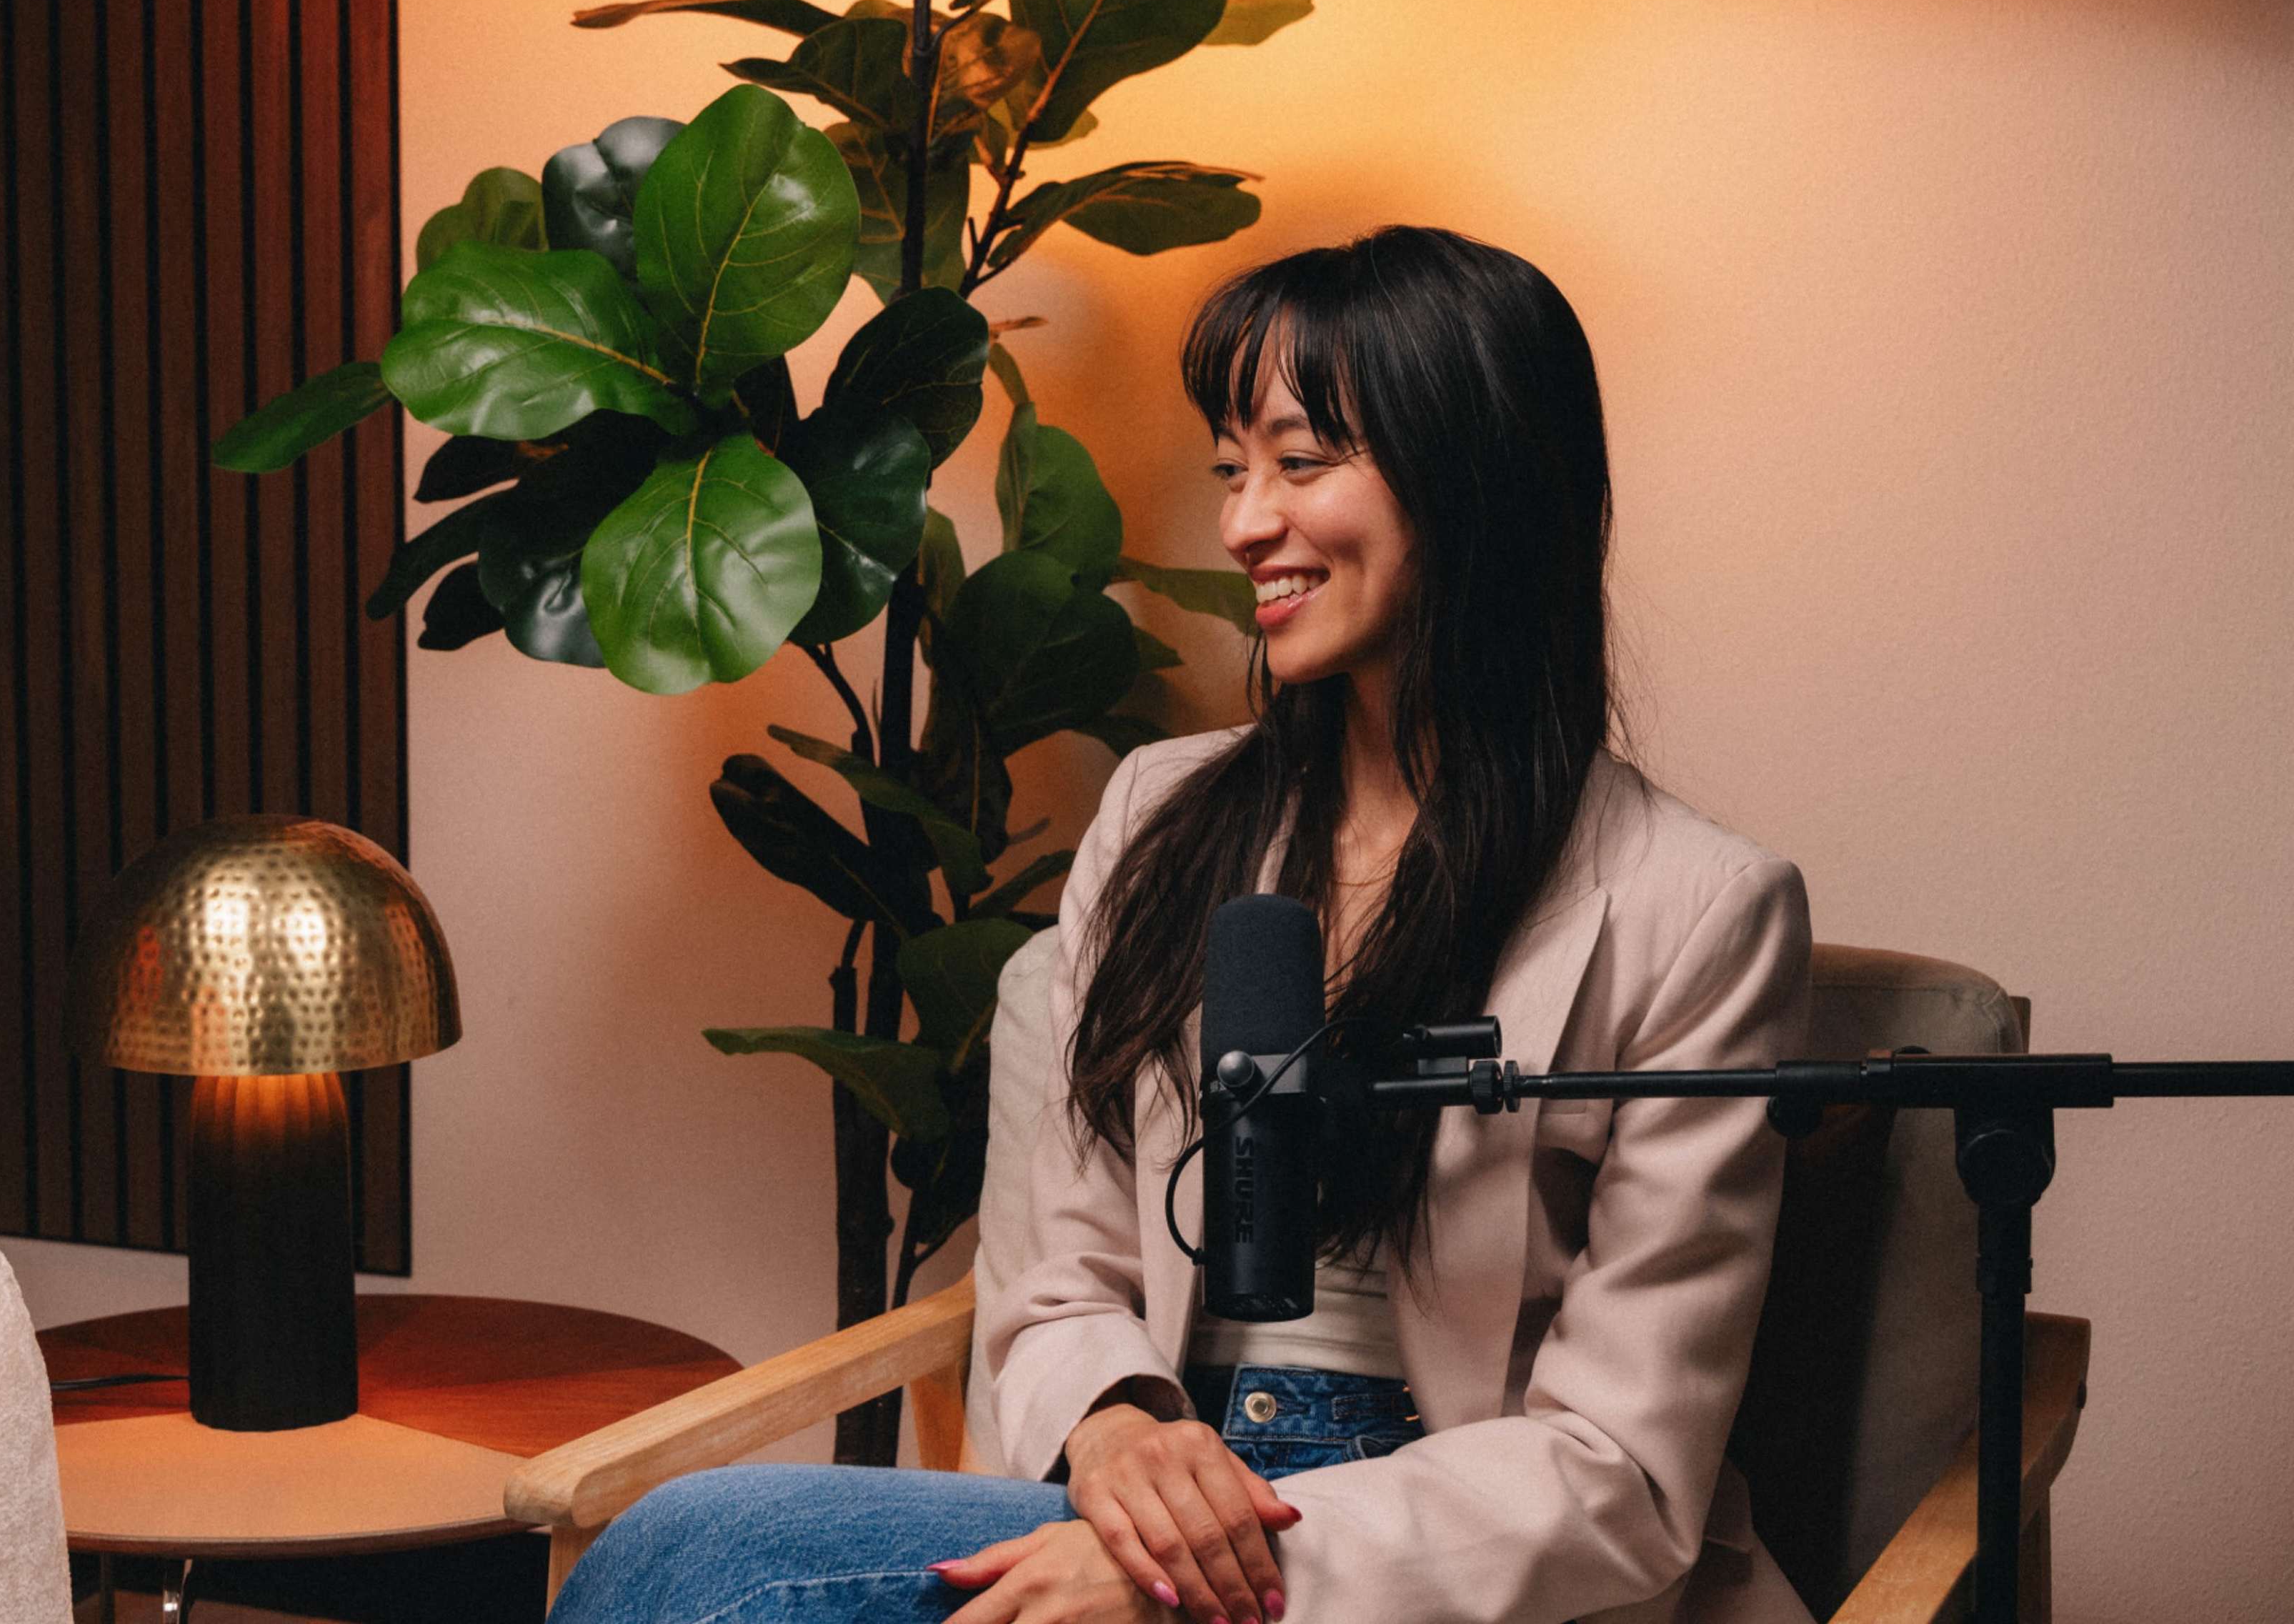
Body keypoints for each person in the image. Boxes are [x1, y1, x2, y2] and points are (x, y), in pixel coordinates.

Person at [550, 226, 1815, 1624]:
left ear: (1474, 477)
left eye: (1300, 459)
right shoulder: (1168, 814)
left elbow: (1625, 1468)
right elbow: (1058, 1273)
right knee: (685, 1548)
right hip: (1157, 1461)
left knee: (723, 1573)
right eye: (1233, 468)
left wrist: (1217, 1560)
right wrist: (1121, 1434)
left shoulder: (1696, 909)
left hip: (1426, 1557)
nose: (1243, 524)